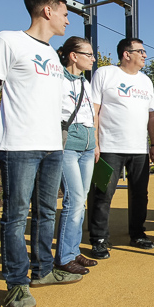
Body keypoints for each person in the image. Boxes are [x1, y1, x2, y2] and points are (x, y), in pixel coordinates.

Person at [0, 0, 81, 307]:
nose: (67, 20)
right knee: (15, 216)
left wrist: (60, 139)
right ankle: (16, 284)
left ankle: (42, 271)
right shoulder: (8, 40)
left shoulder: (51, 54)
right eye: (65, 13)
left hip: (52, 147)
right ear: (47, 11)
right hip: (19, 146)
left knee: (46, 212)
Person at [87, 38, 154, 259]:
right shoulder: (105, 74)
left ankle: (137, 234)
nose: (145, 55)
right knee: (102, 194)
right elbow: (94, 110)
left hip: (139, 150)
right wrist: (94, 142)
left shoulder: (146, 81)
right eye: (141, 51)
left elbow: (151, 116)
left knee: (140, 195)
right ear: (126, 54)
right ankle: (99, 239)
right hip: (109, 148)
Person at [54, 36, 99, 276]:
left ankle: (73, 251)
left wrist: (95, 143)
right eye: (88, 54)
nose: (93, 59)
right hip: (68, 147)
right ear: (73, 56)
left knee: (81, 202)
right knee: (74, 200)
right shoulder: (57, 80)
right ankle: (63, 257)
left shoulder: (86, 82)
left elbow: (91, 115)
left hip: (88, 147)